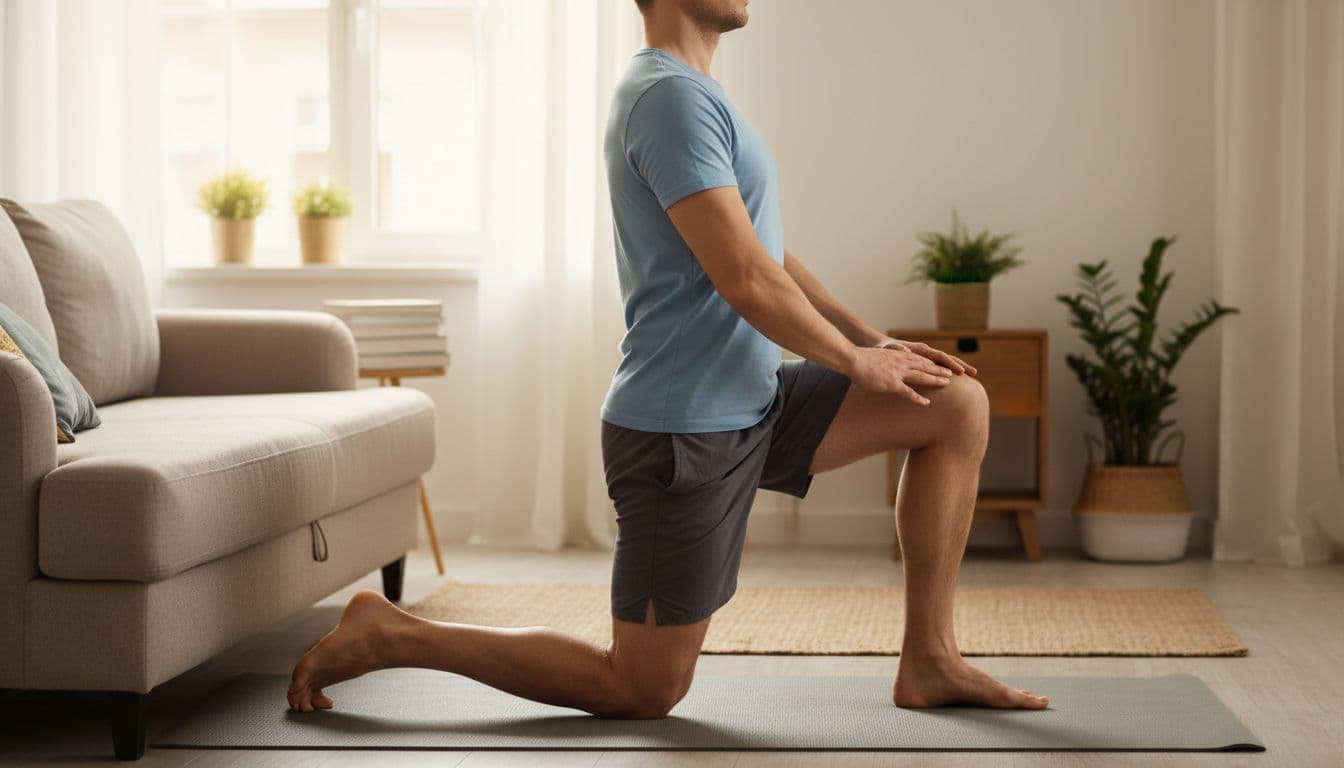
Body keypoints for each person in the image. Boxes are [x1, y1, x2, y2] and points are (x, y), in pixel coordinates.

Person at [287, 0, 1049, 717]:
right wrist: (855, 363)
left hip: (755, 400)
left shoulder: (697, 93)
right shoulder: (665, 98)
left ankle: (930, 658)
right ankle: (391, 633)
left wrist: (872, 341)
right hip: (682, 432)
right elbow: (745, 279)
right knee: (644, 686)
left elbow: (763, 252)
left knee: (953, 404)